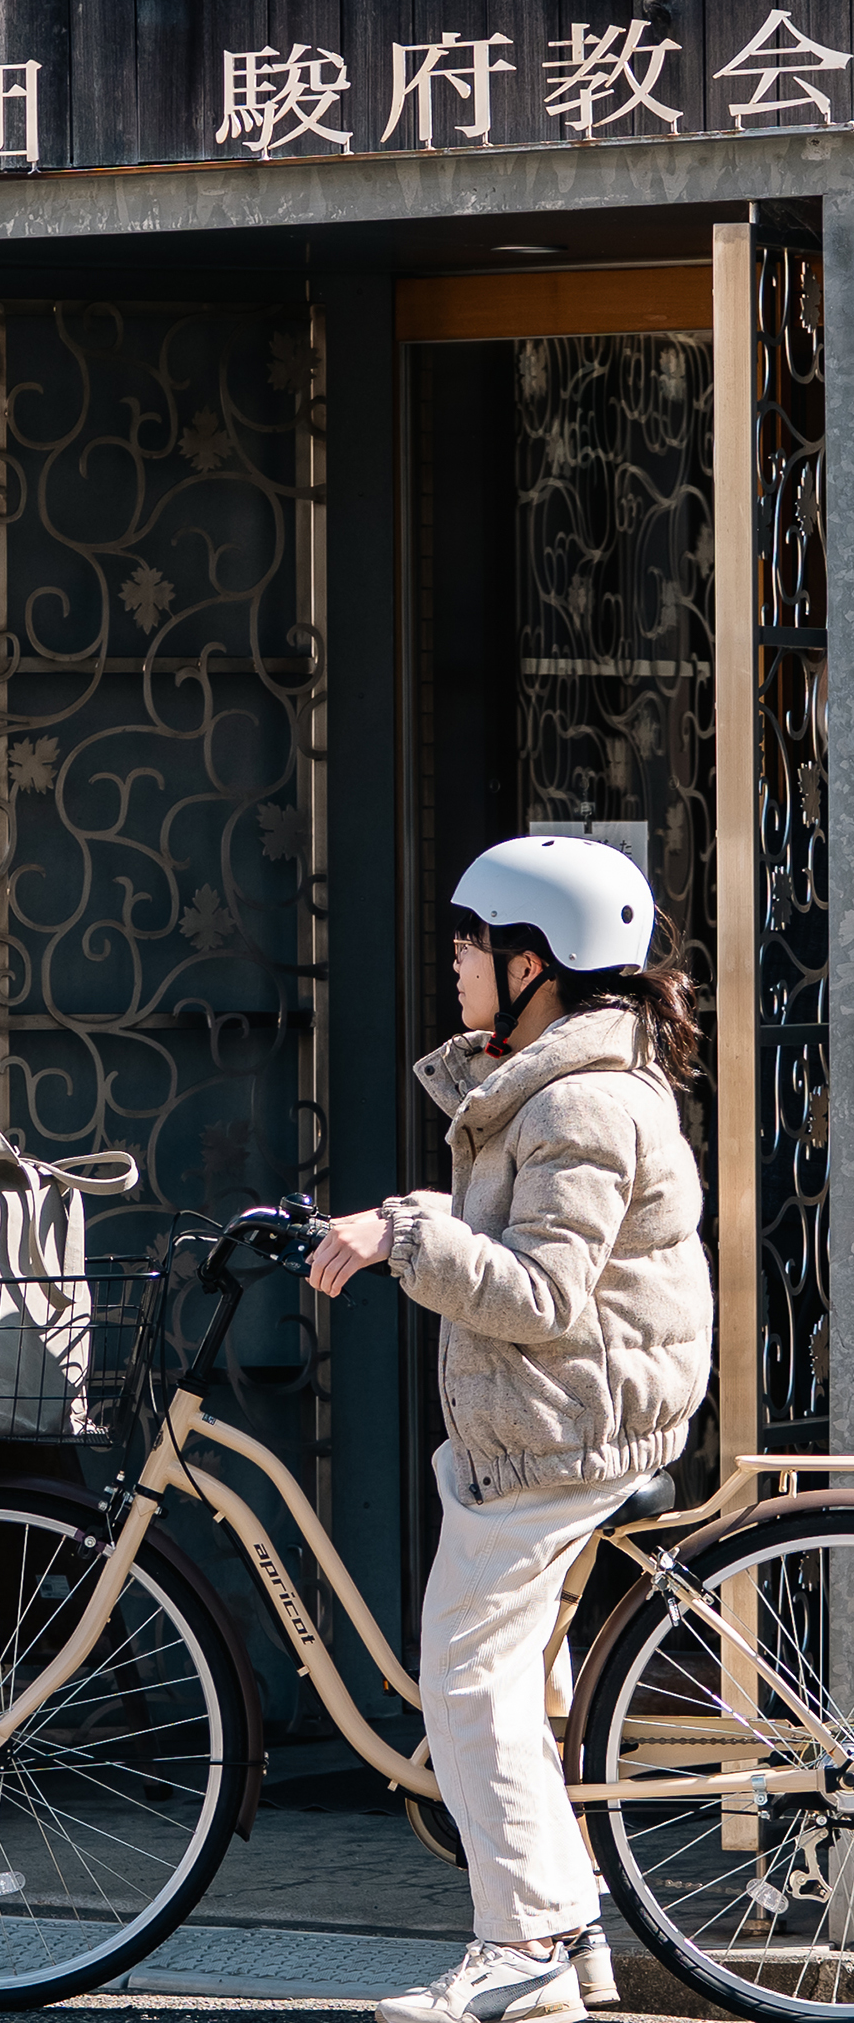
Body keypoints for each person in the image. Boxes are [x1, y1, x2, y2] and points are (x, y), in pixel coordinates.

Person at [307, 835, 713, 2023]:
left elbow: (541, 1297)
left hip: (562, 1429)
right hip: (559, 1416)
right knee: (508, 1682)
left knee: (467, 1680)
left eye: (471, 941)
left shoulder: (580, 1101)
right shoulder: (556, 1084)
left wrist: (407, 1237)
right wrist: (421, 1217)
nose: (454, 958)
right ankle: (568, 1932)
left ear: (532, 962)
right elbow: (532, 1242)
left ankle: (522, 1946)